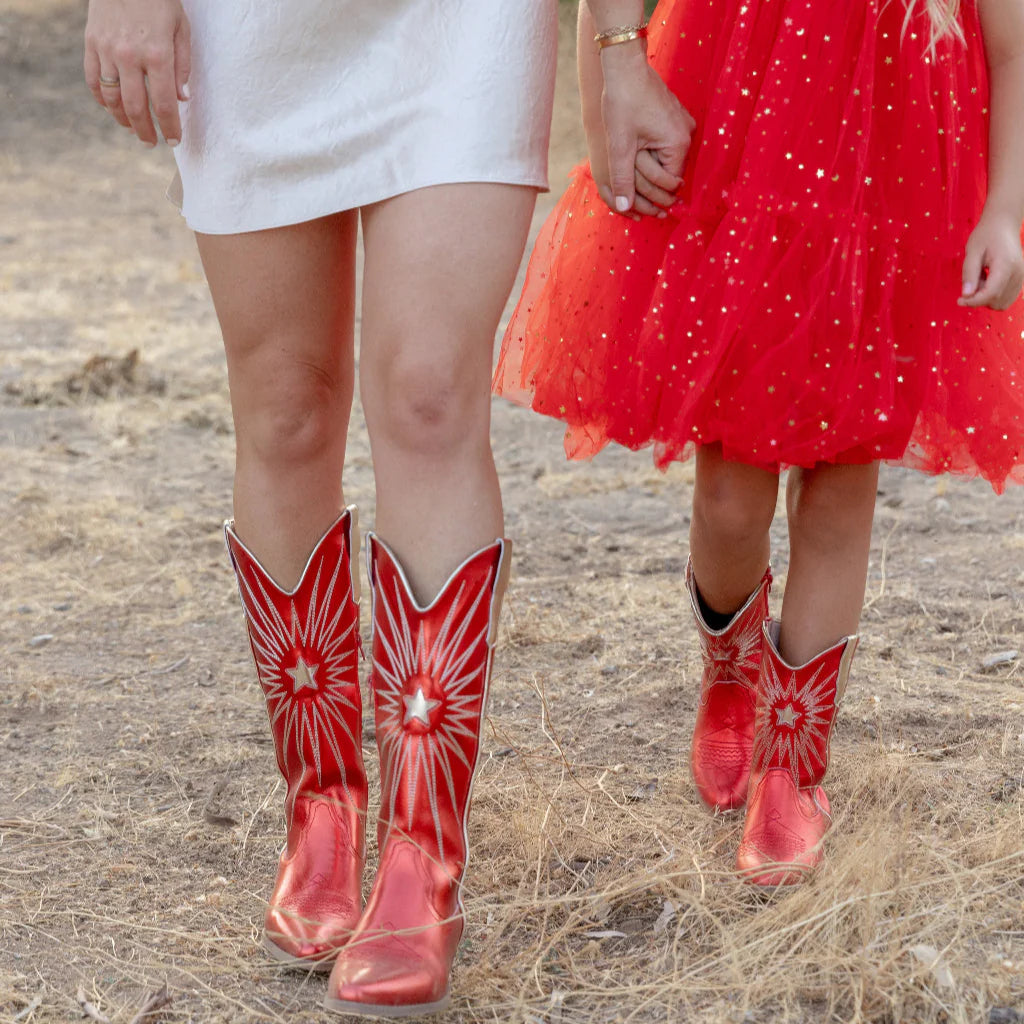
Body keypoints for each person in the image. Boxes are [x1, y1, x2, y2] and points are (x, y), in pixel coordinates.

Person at [84, 1, 557, 1015]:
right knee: (286, 406)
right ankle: (324, 806)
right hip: (250, 30)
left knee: (430, 394)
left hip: (463, 27)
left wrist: (617, 43)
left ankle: (421, 858)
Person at [495, 0, 1024, 886]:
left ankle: (794, 765)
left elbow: (1012, 48)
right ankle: (732, 672)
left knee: (838, 492)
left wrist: (1005, 210)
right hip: (746, 143)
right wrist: (607, 99)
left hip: (891, 180)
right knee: (729, 499)